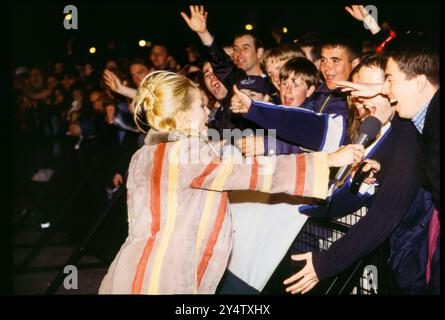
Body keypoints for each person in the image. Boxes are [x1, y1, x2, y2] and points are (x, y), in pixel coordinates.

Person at [98, 70, 366, 294]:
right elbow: (257, 172)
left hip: (133, 269)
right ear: (181, 117)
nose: (207, 112)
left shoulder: (144, 154)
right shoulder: (187, 152)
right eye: (201, 106)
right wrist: (325, 160)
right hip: (163, 277)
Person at [283, 55, 427, 295]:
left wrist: (328, 261)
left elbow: (386, 214)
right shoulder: (369, 130)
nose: (359, 96)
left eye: (374, 87)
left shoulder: (409, 132)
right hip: (397, 257)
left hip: (415, 260)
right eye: (357, 88)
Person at [335, 36, 439, 294]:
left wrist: (326, 264)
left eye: (389, 80)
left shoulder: (429, 126)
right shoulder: (425, 124)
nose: (387, 91)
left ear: (419, 82)